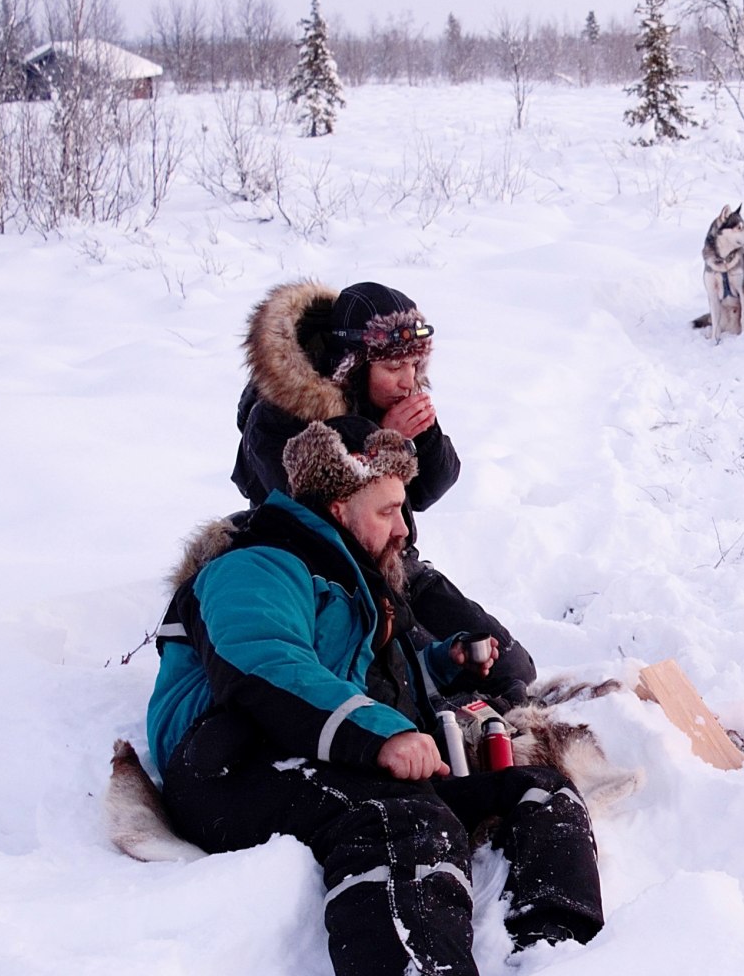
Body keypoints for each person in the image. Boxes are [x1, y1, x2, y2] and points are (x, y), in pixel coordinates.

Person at [149, 418, 603, 975]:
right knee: (400, 821)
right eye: (387, 510)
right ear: (338, 506)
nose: (404, 529)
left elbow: (347, 678)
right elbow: (264, 666)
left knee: (542, 791)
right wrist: (382, 733)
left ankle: (556, 953)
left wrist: (444, 662)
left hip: (307, 748)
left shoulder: (350, 581)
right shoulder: (253, 565)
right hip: (223, 761)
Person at [232, 279, 534, 701]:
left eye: (415, 366)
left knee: (511, 668)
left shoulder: (392, 397)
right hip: (330, 589)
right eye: (394, 368)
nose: (408, 381)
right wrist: (382, 440)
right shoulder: (278, 414)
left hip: (398, 568)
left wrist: (421, 437)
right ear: (353, 364)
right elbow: (313, 511)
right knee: (423, 693)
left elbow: (431, 489)